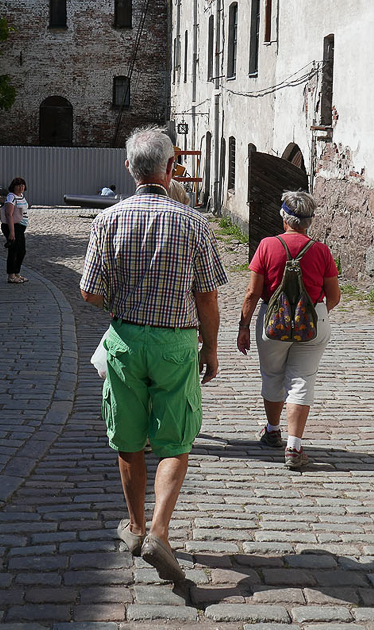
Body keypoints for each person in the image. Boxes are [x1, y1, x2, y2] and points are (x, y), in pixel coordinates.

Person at [80, 126, 227, 584]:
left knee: (128, 438)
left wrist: (124, 303)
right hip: (175, 343)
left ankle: (137, 526)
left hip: (125, 340)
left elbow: (88, 292)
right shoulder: (194, 223)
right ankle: (160, 530)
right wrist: (211, 348)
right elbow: (207, 299)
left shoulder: (108, 221)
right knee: (175, 440)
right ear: (172, 166)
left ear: (129, 168)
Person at [236, 190, 340, 470]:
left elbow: (251, 292)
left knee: (272, 375)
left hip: (273, 322)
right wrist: (315, 314)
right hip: (312, 323)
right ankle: (294, 446)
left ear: (284, 217)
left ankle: (272, 431)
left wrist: (244, 326)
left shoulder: (268, 246)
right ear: (310, 221)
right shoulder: (321, 250)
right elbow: (334, 295)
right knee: (302, 378)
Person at [1, 177, 29, 284]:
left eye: (22, 185)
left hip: (21, 226)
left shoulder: (21, 196)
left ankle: (17, 273)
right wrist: (11, 232)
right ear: (13, 186)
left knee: (21, 250)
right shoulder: (11, 197)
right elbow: (9, 214)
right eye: (18, 185)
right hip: (14, 226)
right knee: (14, 251)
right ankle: (11, 275)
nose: (21, 187)